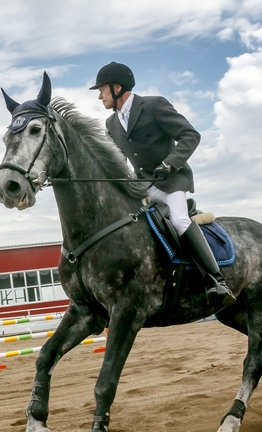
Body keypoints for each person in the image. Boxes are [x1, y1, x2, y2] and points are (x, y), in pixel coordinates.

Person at [90, 62, 235, 308]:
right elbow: (116, 162)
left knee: (179, 220)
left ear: (116, 87)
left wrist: (170, 164)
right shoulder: (111, 124)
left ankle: (215, 280)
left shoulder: (154, 105)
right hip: (142, 185)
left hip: (171, 180)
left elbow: (191, 135)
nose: (99, 96)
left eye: (101, 90)